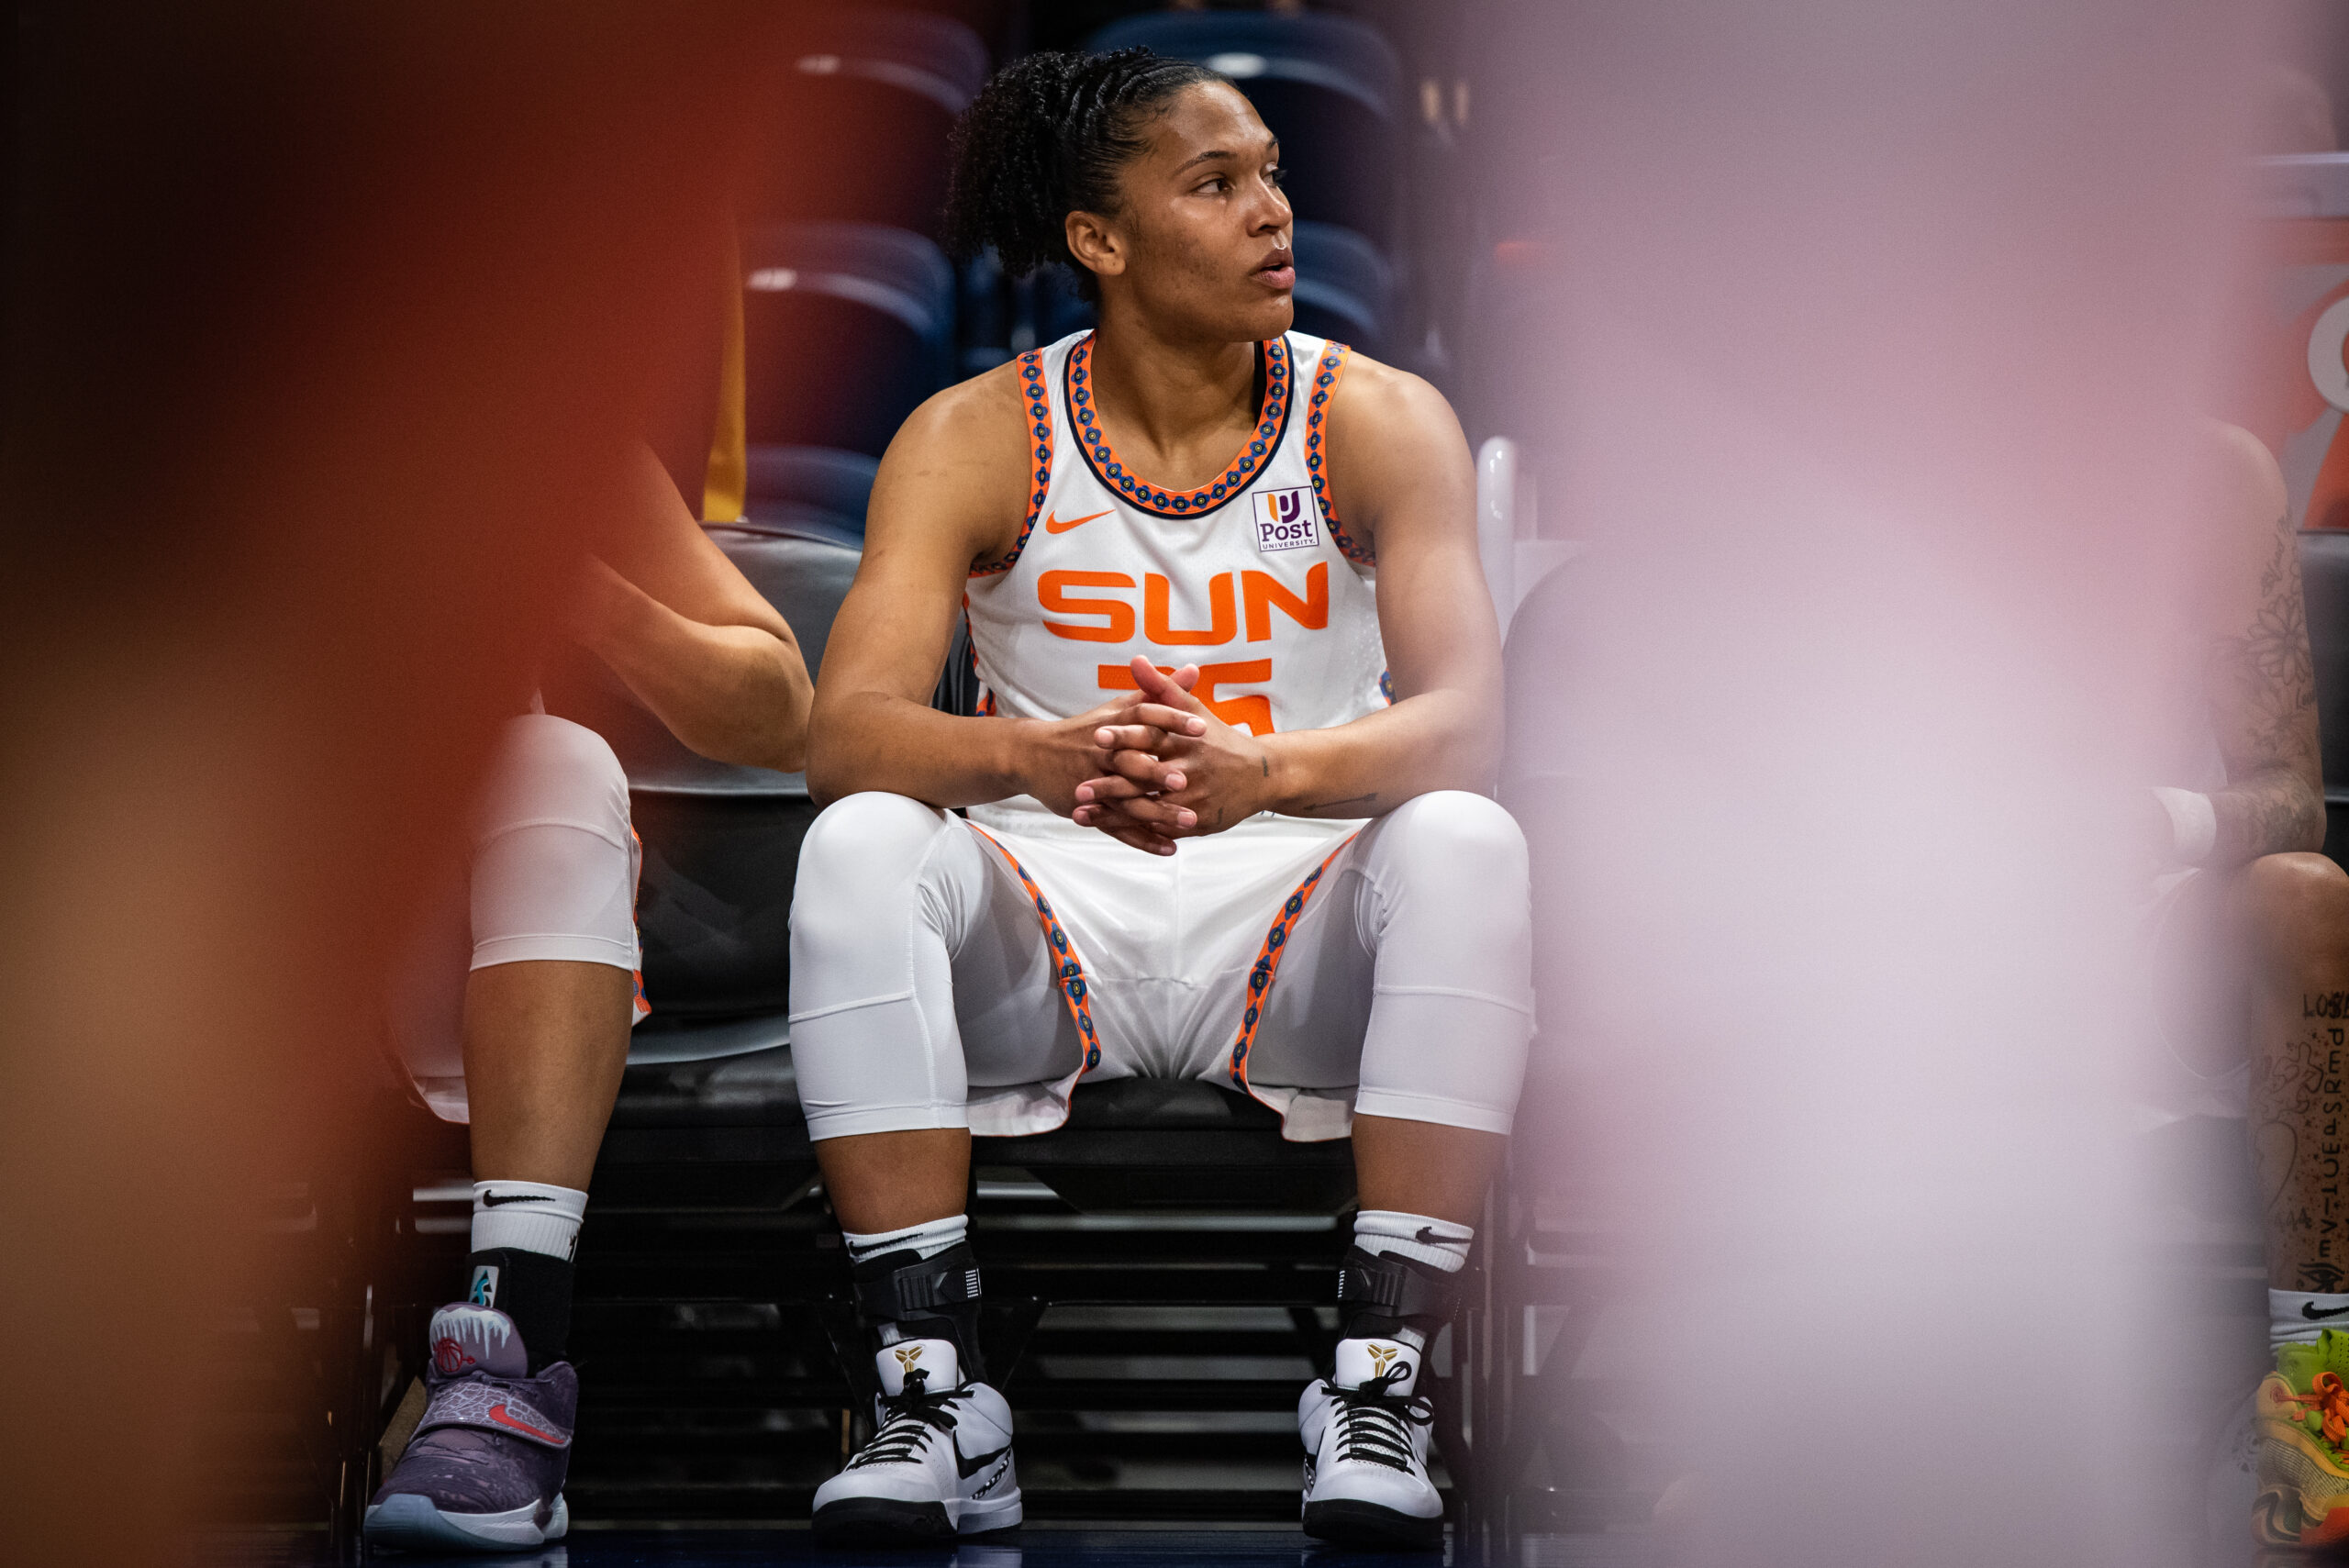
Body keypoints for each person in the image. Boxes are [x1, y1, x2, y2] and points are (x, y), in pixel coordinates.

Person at [788, 48, 1533, 1549]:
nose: (1274, 213)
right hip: (1055, 902)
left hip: (1299, 895)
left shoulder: (1378, 415)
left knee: (1469, 835)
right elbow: (846, 732)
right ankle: (934, 1385)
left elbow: (1469, 722)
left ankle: (1382, 1375)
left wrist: (1274, 770)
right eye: (1216, 183)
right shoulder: (974, 431)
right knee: (859, 842)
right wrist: (1030, 754)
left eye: (1271, 171)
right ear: (1099, 239)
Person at [365, 446, 813, 1553]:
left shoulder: (549, 431)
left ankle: (503, 1360)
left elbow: (782, 709)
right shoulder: (146, 397)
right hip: (200, 929)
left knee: (554, 762)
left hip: (423, 942)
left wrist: (586, 593)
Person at [2128, 426, 2349, 1547]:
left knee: (2303, 892)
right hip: (1910, 932)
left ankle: (2318, 1394)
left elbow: (2294, 796)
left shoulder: (2210, 468)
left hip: (2146, 940)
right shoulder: (1875, 422)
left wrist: (2158, 817)